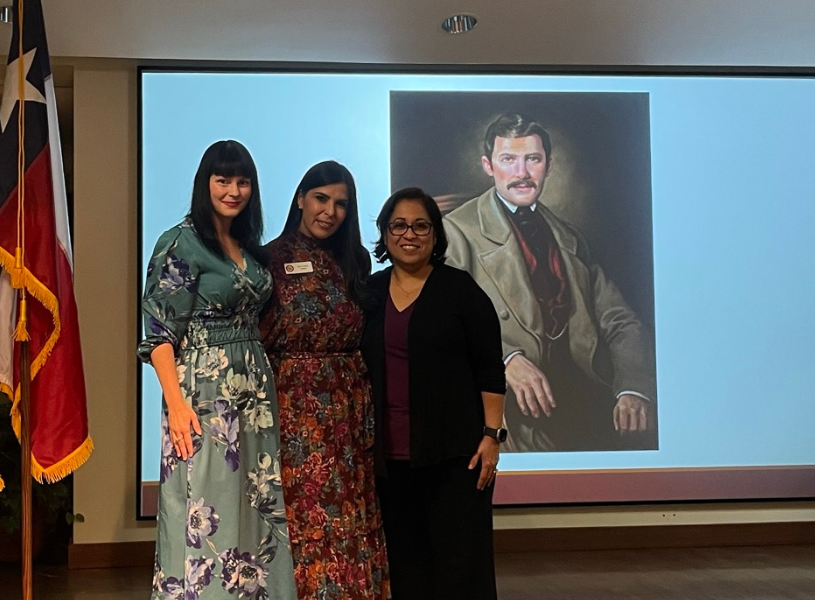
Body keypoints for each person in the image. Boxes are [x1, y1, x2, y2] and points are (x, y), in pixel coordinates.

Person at [444, 113, 657, 452]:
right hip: (506, 412)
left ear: (549, 164)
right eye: (508, 160)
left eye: (533, 159)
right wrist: (505, 360)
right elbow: (439, 324)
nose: (522, 173)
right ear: (488, 165)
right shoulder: (454, 232)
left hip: (581, 400)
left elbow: (620, 320)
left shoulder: (569, 236)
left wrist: (633, 387)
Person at [139, 140, 296, 600]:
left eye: (242, 181)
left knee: (255, 505)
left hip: (253, 394)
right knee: (207, 505)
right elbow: (159, 334)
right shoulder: (180, 241)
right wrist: (176, 404)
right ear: (204, 183)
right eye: (223, 179)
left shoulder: (246, 244)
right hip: (204, 395)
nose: (233, 190)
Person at [362, 187, 506, 600]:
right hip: (389, 460)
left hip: (456, 456)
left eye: (421, 225)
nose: (410, 234)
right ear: (386, 235)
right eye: (399, 225)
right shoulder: (369, 293)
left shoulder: (460, 290)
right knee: (406, 563)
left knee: (460, 564)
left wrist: (491, 436)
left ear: (436, 234)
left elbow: (490, 369)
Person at [259, 161, 390, 600]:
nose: (329, 211)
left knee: (350, 513)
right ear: (300, 198)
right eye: (321, 198)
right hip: (294, 407)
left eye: (340, 204)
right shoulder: (268, 260)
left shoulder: (354, 261)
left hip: (350, 408)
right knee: (307, 515)